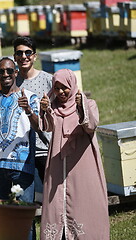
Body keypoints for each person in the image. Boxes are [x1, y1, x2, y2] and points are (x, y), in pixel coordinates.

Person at [39, 69, 109, 240]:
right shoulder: (53, 107)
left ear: (73, 85)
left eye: (65, 87)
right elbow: (47, 127)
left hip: (82, 165)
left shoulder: (88, 104)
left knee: (83, 203)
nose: (61, 92)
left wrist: (81, 107)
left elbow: (90, 125)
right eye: (57, 88)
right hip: (57, 165)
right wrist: (45, 110)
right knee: (56, 205)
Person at [0, 57, 39, 240]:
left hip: (22, 166)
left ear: (15, 73)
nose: (5, 74)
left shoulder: (29, 97)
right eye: (1, 71)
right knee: (3, 218)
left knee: (24, 217)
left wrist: (28, 110)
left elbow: (39, 126)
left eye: (8, 71)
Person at [13, 36, 53, 184]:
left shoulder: (49, 80)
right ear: (14, 57)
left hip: (45, 147)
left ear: (34, 56)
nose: (24, 56)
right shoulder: (12, 82)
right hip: (21, 150)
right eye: (19, 53)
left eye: (28, 52)